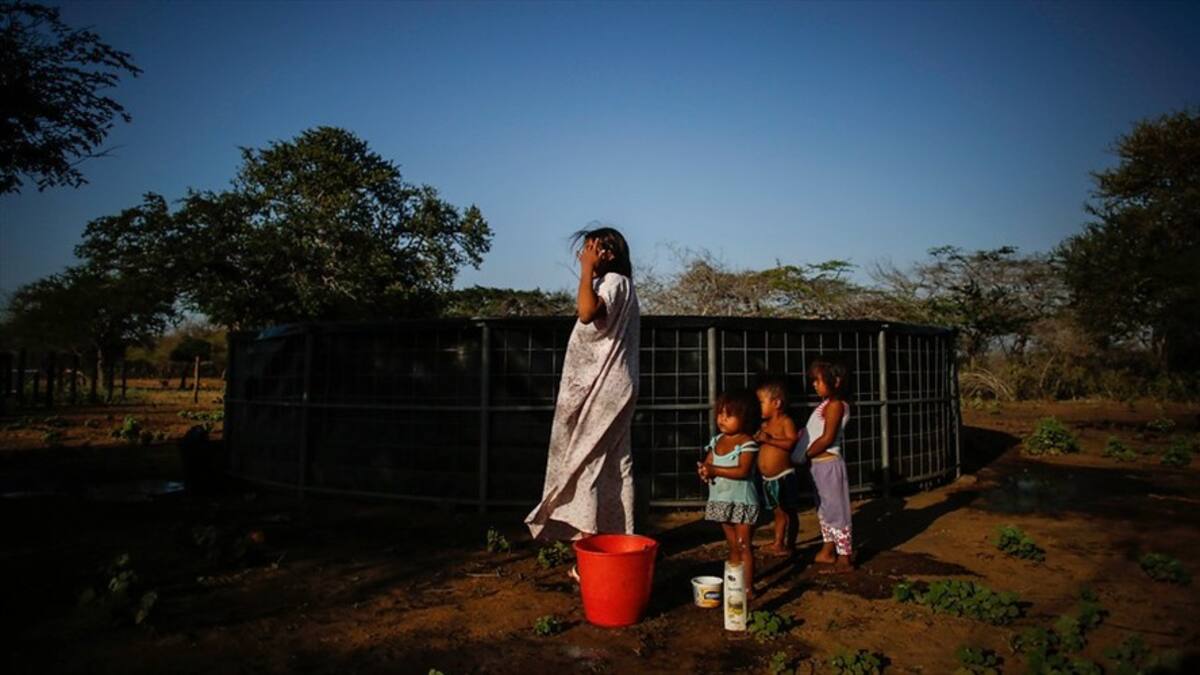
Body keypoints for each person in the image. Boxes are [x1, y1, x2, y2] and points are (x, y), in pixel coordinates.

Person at [525, 227, 640, 549]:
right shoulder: (618, 285)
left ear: (609, 254)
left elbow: (587, 313)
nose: (584, 255)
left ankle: (591, 548)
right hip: (610, 387)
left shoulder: (614, 282)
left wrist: (586, 271)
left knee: (586, 462)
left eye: (591, 249)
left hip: (605, 388)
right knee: (613, 464)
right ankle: (618, 541)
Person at [697, 388, 762, 599]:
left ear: (746, 417)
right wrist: (704, 471)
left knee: (744, 545)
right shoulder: (717, 441)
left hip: (742, 502)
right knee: (733, 546)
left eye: (729, 415)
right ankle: (735, 584)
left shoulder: (747, 443)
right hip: (722, 500)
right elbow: (709, 462)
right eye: (720, 413)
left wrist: (714, 470)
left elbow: (743, 471)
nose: (722, 419)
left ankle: (748, 588)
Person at [802, 358, 853, 573]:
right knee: (824, 509)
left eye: (818, 380)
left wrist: (804, 455)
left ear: (836, 381)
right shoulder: (826, 404)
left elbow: (826, 438)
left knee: (837, 511)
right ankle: (828, 549)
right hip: (819, 465)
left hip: (828, 464)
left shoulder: (835, 406)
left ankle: (844, 556)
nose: (814, 385)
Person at [753, 376, 801, 557]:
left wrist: (769, 440)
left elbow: (791, 443)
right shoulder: (764, 425)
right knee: (778, 512)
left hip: (784, 476)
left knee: (789, 511)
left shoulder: (785, 422)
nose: (758, 407)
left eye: (761, 403)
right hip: (768, 479)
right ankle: (778, 542)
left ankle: (790, 543)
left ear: (777, 403)